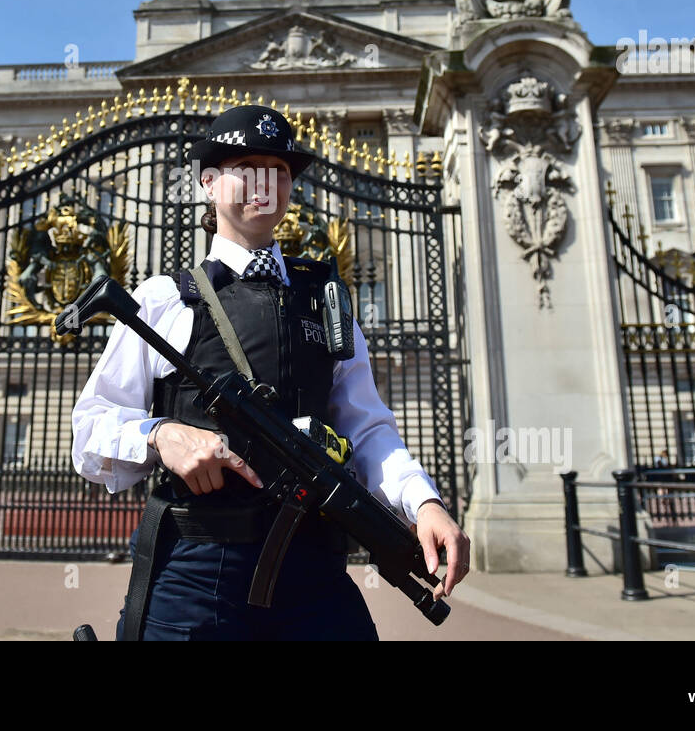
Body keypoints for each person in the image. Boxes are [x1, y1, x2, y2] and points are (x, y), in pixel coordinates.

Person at [71, 104, 469, 640]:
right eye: (249, 167)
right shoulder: (165, 299)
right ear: (209, 184)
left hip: (314, 571)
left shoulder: (328, 302)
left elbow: (368, 428)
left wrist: (423, 501)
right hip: (195, 570)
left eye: (279, 171)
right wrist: (160, 434)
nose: (267, 182)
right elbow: (90, 427)